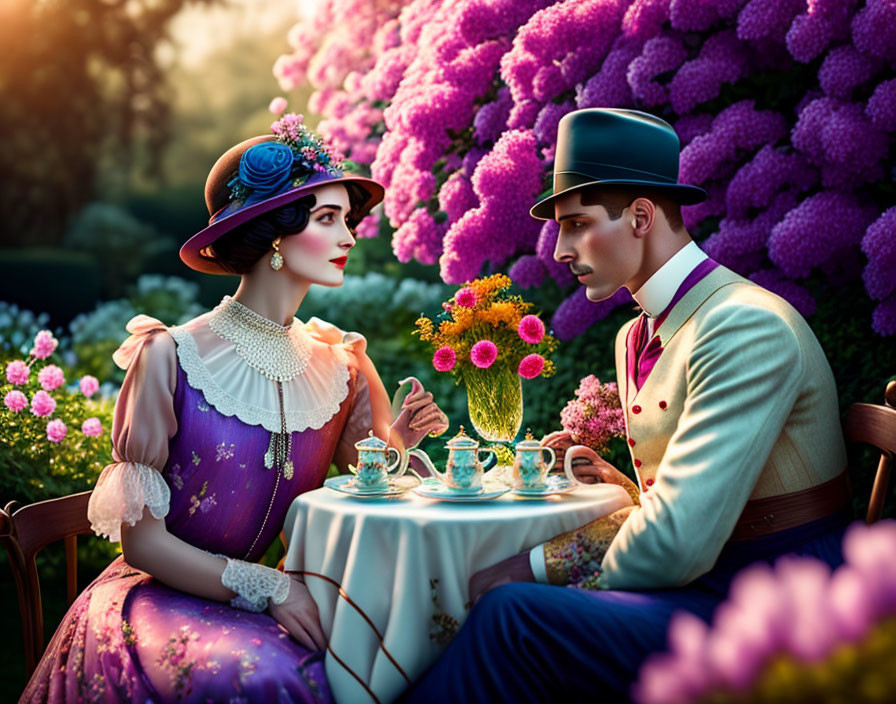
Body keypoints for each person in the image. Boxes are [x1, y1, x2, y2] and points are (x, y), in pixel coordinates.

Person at [401, 109, 851, 703]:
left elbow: (678, 543)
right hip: (707, 580)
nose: (560, 250)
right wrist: (622, 489)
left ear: (641, 216)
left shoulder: (744, 326)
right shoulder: (634, 335)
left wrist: (535, 566)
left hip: (779, 605)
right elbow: (688, 501)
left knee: (514, 613)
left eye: (577, 224)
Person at [21, 113, 448, 703]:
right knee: (282, 678)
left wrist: (399, 437)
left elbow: (370, 479)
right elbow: (141, 545)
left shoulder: (341, 363)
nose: (349, 238)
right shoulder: (169, 355)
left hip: (274, 600)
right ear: (274, 235)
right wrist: (268, 586)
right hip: (153, 601)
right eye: (328, 219)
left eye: (347, 220)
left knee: (387, 652)